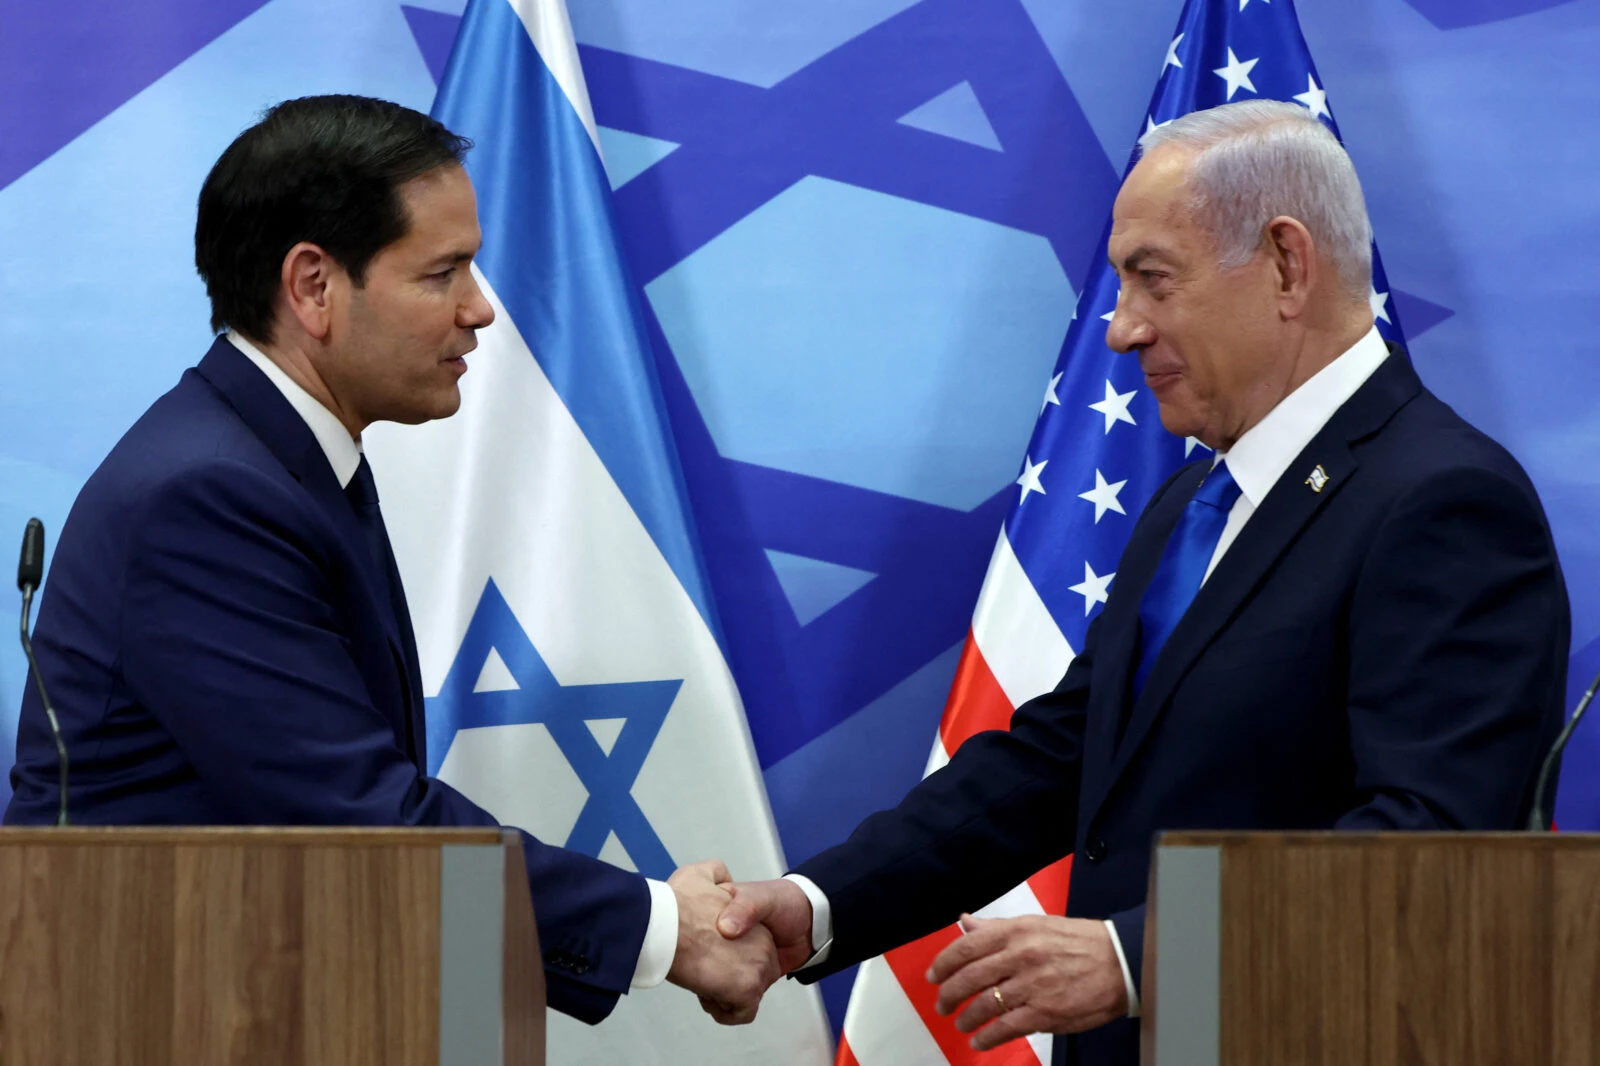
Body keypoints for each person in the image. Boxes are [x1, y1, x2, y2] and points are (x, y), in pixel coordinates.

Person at [716, 99, 1570, 1065]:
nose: (1121, 331)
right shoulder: (1192, 506)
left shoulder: (1443, 501)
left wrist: (1136, 958)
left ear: (1288, 265)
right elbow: (1062, 761)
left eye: (1151, 281)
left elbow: (1437, 846)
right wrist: (814, 907)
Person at [4, 94, 776, 1027]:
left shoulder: (283, 459)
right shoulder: (207, 496)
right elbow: (359, 824)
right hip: (158, 1013)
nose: (479, 309)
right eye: (441, 272)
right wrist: (665, 930)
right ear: (314, 287)